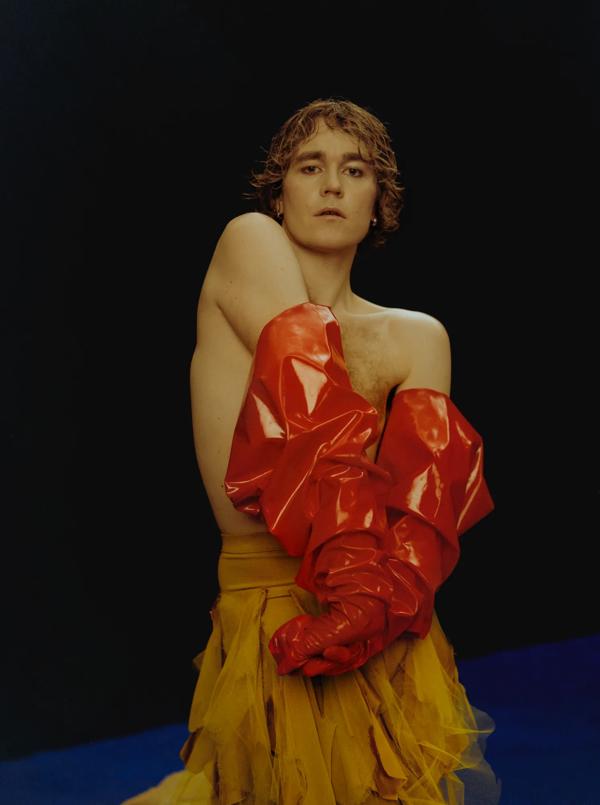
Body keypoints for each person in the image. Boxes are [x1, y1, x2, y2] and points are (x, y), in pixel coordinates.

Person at [122, 98, 502, 804]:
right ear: (280, 191)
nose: (331, 184)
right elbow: (309, 405)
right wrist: (353, 598)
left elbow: (424, 513)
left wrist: (374, 611)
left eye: (354, 170)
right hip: (275, 606)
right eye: (310, 166)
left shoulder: (418, 336)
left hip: (386, 628)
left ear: (379, 201)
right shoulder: (248, 241)